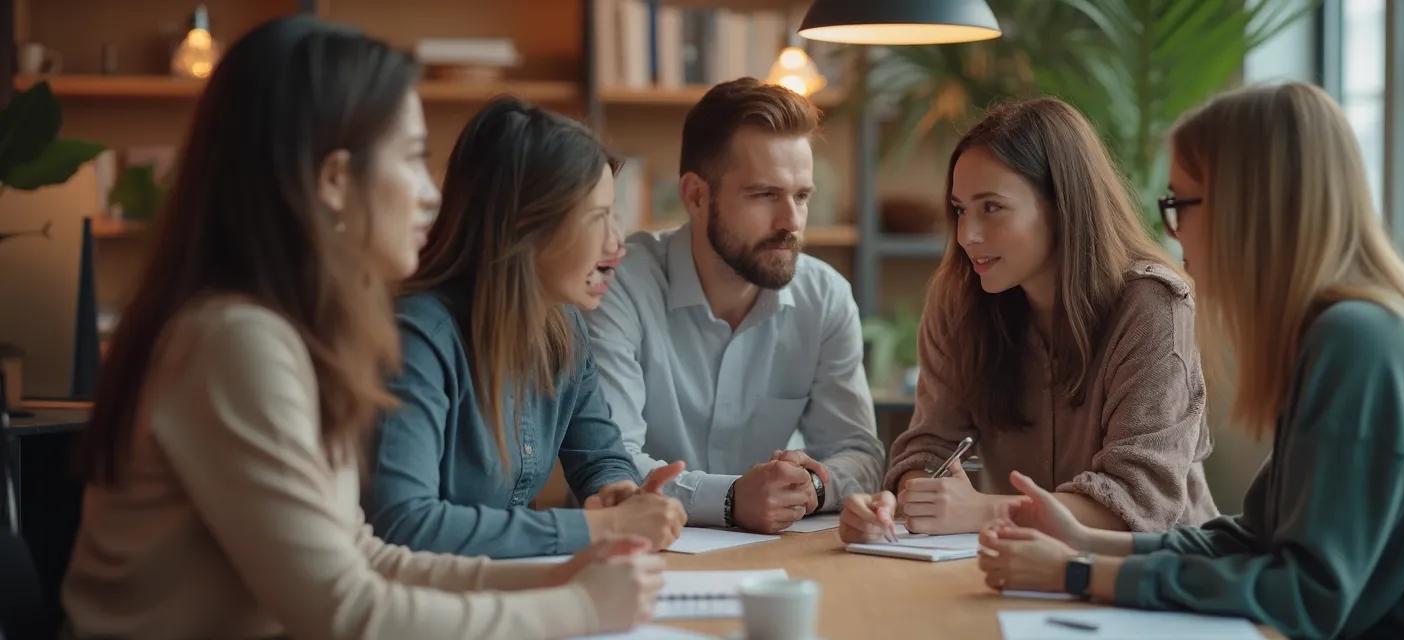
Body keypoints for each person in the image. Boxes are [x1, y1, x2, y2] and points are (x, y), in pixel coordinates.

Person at [63, 17, 662, 639]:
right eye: (411, 159)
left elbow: (369, 559)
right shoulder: (234, 342)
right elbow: (344, 612)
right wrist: (581, 608)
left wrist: (559, 579)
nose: (431, 195)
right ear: (334, 181)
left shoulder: (296, 336)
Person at [974, 83, 1404, 638]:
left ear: (1248, 208)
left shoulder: (1361, 344)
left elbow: (1304, 595)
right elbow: (1254, 538)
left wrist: (1079, 574)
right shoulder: (1333, 335)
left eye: (1179, 204)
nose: (1173, 234)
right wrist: (1086, 541)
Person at [838, 98, 1217, 543]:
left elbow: (1139, 500)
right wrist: (907, 496)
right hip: (1024, 566)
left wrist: (981, 509)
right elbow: (930, 444)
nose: (967, 235)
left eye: (992, 208)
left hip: (1158, 578)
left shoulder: (1153, 305)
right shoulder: (959, 298)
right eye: (960, 210)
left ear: (1062, 206)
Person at [364, 98, 686, 559]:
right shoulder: (419, 339)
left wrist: (617, 490)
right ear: (525, 227)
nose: (617, 243)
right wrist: (598, 526)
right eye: (597, 218)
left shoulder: (565, 326)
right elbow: (404, 523)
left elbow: (600, 456)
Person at [583, 78, 884, 533]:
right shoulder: (619, 286)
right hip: (641, 549)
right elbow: (610, 460)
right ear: (696, 195)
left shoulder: (825, 297)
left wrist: (812, 489)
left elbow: (860, 453)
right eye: (765, 195)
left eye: (802, 196)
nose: (791, 222)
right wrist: (729, 499)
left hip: (780, 553)